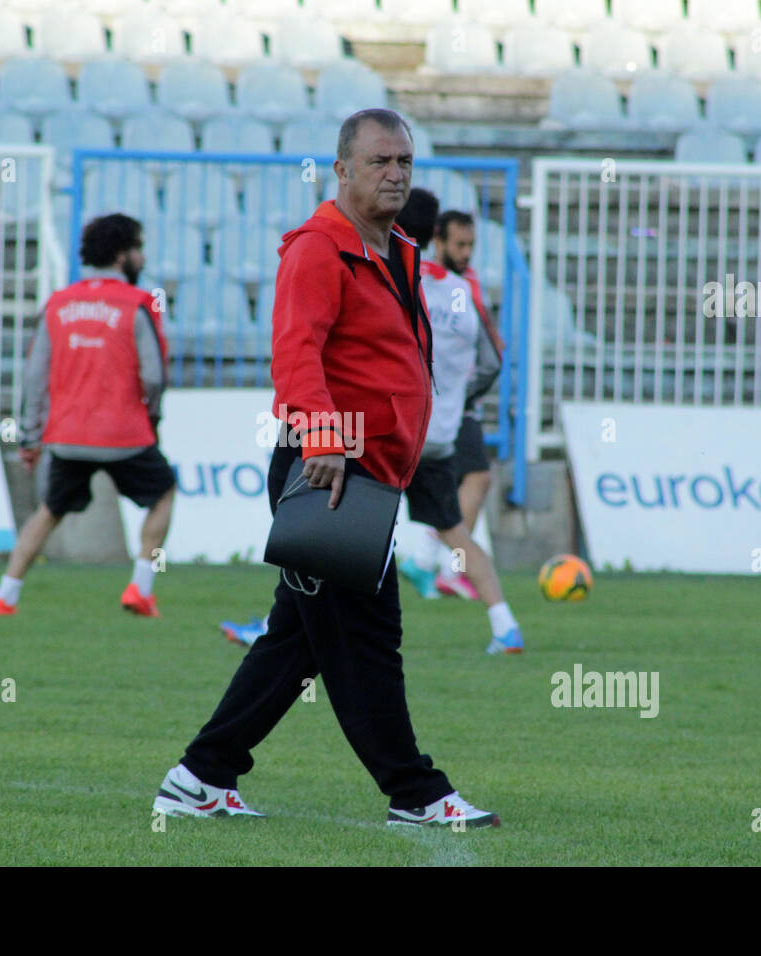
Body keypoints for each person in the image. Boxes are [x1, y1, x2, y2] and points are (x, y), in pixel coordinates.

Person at [152, 109, 500, 828]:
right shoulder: (318, 250)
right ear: (342, 171)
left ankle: (200, 775)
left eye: (405, 160)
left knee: (299, 642)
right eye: (380, 161)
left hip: (368, 472)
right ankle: (416, 791)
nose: (396, 173)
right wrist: (325, 442)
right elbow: (297, 357)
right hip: (331, 471)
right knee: (368, 638)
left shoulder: (397, 248)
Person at [0, 214, 175, 618]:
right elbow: (155, 377)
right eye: (138, 249)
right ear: (123, 255)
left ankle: (5, 595)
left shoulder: (58, 303)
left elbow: (34, 377)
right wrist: (152, 419)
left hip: (67, 435)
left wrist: (30, 438)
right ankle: (140, 588)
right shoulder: (138, 305)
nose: (142, 257)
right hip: (124, 435)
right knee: (163, 494)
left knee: (49, 511)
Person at [393, 190, 522, 655]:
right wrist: (453, 400)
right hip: (439, 438)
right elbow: (492, 361)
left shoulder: (405, 279)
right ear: (436, 236)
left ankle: (276, 626)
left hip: (394, 436)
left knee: (338, 530)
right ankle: (505, 625)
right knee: (458, 535)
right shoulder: (467, 293)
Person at [433, 209, 505, 598]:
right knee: (473, 477)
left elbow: (492, 351)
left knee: (474, 477)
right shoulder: (429, 281)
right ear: (438, 241)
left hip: (458, 402)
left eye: (471, 246)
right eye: (459, 245)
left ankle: (442, 563)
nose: (466, 253)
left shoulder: (469, 284)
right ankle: (446, 565)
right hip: (441, 404)